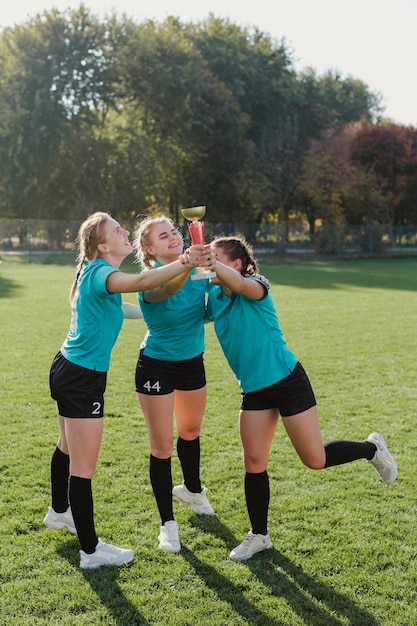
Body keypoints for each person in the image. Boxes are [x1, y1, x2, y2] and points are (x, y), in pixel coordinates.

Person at [205, 235, 397, 561]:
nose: (206, 259)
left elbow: (239, 283)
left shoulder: (255, 284)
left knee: (315, 460)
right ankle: (259, 535)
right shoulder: (212, 294)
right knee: (253, 462)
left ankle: (371, 449)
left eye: (214, 256)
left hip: (286, 380)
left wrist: (223, 273)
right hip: (253, 388)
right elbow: (180, 305)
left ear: (235, 263)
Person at [44, 211, 211, 569]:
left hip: (66, 368)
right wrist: (184, 261)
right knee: (83, 468)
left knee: (67, 447)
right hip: (81, 377)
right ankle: (91, 551)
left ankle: (59, 510)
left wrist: (150, 312)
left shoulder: (91, 271)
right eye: (117, 231)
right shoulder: (104, 272)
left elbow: (121, 306)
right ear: (102, 245)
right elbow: (138, 283)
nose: (124, 234)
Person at [132, 216, 216, 554]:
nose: (173, 238)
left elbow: (211, 308)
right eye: (163, 236)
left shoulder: (198, 271)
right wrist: (187, 263)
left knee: (191, 431)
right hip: (156, 366)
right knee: (162, 446)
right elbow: (166, 290)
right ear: (150, 250)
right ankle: (167, 524)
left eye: (175, 233)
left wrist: (223, 275)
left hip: (192, 362)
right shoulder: (147, 278)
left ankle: (193, 491)